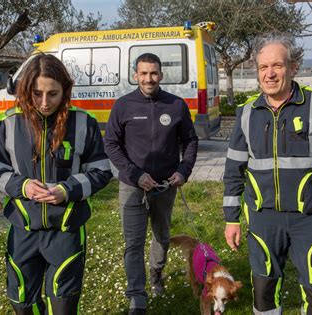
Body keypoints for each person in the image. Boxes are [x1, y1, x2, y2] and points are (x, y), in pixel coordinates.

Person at [222, 33, 312, 315]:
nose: (269, 74)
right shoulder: (246, 113)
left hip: (311, 218)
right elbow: (234, 169)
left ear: (293, 67)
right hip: (263, 219)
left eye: (277, 66)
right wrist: (231, 220)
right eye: (263, 67)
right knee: (264, 290)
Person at [0, 54, 112, 314]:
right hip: (23, 228)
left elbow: (101, 171)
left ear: (65, 90)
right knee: (22, 302)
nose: (45, 102)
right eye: (36, 93)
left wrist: (67, 190)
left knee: (63, 305)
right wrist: (23, 187)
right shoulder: (8, 123)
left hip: (66, 228)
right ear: (25, 89)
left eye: (53, 94)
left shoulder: (83, 122)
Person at [104, 53, 198, 314]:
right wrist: (135, 174)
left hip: (165, 186)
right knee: (133, 243)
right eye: (143, 73)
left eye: (154, 73)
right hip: (132, 186)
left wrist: (183, 170)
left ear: (161, 75)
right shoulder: (123, 106)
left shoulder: (176, 105)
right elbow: (111, 144)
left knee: (162, 236)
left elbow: (190, 141)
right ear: (135, 75)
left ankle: (156, 273)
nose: (149, 78)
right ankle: (137, 297)